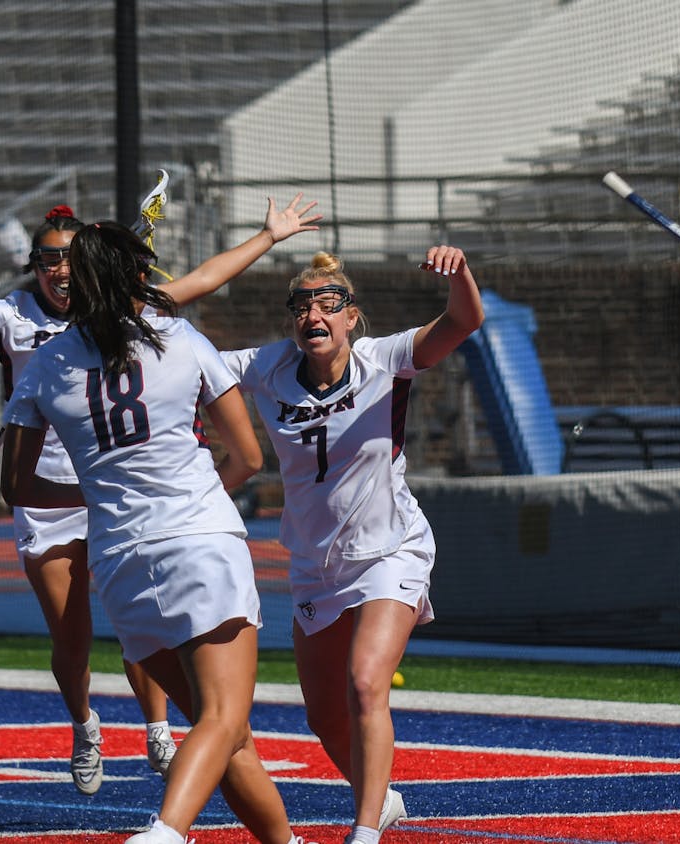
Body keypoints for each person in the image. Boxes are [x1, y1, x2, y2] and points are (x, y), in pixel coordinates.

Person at [0, 194, 320, 797]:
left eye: (70, 259)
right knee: (75, 636)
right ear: (34, 265)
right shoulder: (19, 322)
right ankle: (85, 723)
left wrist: (268, 237)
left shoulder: (137, 314)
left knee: (146, 631)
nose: (59, 270)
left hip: (128, 498)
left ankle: (157, 729)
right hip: (59, 497)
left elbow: (205, 277)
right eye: (46, 259)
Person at [0, 220, 321, 844]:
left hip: (121, 559)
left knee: (222, 732)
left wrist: (101, 494)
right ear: (134, 278)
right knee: (224, 720)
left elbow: (18, 488)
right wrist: (189, 499)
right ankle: (166, 832)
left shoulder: (45, 364)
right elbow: (249, 458)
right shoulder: (181, 338)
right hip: (199, 539)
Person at [219, 246, 485, 844]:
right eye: (302, 306)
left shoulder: (383, 360)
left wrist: (460, 272)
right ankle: (382, 799)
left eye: (327, 304)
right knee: (323, 715)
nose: (314, 315)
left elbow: (464, 322)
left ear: (351, 315)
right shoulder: (267, 365)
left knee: (366, 683)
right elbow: (188, 365)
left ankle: (363, 832)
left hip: (391, 547)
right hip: (317, 563)